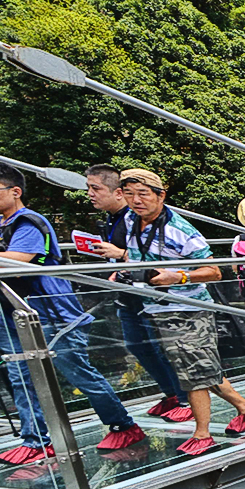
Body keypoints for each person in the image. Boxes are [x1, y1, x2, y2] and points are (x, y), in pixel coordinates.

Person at [0, 160, 147, 470]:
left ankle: (123, 426)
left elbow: (19, 260)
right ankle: (36, 442)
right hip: (14, 313)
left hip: (53, 313)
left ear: (14, 191)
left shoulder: (29, 222)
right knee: (21, 377)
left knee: (77, 372)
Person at [118, 168, 245, 456]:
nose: (136, 200)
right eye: (129, 194)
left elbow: (214, 271)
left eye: (143, 194)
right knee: (199, 366)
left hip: (188, 309)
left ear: (161, 196)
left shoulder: (179, 229)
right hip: (157, 307)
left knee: (194, 372)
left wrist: (178, 277)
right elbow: (137, 256)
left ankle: (202, 433)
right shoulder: (131, 220)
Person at [85, 163, 185, 421]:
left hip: (150, 294)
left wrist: (121, 256)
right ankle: (173, 394)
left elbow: (163, 256)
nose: (90, 194)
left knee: (164, 346)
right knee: (139, 345)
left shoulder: (142, 220)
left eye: (96, 188)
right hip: (128, 293)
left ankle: (184, 399)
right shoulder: (119, 220)